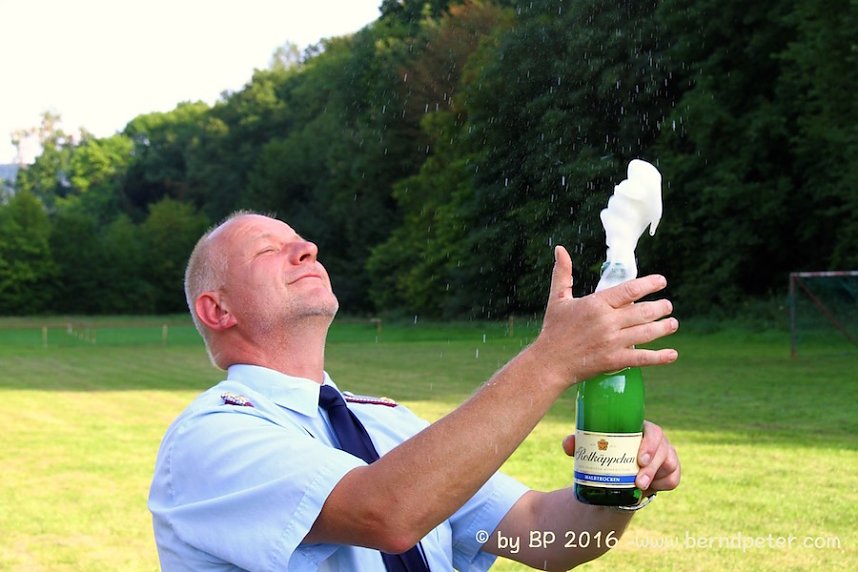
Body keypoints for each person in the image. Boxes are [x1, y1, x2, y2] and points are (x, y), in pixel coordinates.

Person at [149, 211, 681, 571]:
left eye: (303, 243)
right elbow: (386, 513)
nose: (307, 249)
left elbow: (549, 536)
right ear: (217, 310)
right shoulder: (209, 437)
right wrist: (553, 360)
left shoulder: (389, 423)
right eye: (269, 250)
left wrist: (623, 484)